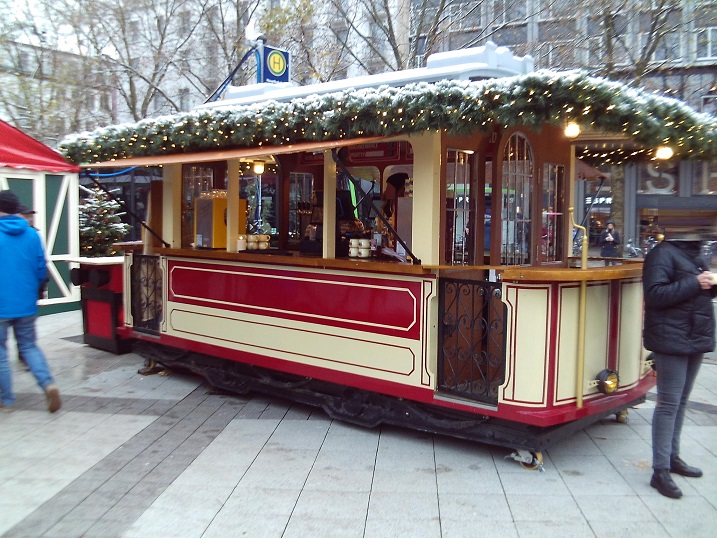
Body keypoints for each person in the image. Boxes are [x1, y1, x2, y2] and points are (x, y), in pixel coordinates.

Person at [642, 231, 715, 498]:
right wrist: (696, 282)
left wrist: (710, 283)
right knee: (669, 404)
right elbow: (655, 295)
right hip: (671, 337)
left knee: (681, 400)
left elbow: (700, 289)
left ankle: (673, 457)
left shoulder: (695, 252)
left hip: (695, 335)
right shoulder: (661, 253)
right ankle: (659, 471)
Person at [0, 190, 61, 413]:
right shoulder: (32, 234)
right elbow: (40, 270)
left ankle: (6, 400)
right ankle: (48, 384)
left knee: (1, 352)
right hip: (25, 303)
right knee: (29, 346)